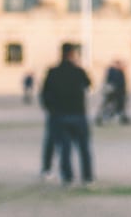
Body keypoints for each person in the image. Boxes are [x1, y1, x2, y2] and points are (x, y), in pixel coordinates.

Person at [39, 43, 93, 185]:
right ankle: (87, 177)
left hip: (59, 114)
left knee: (64, 148)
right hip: (77, 114)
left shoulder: (53, 72)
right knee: (83, 148)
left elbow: (44, 94)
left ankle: (67, 177)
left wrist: (50, 109)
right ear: (72, 54)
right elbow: (89, 84)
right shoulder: (78, 71)